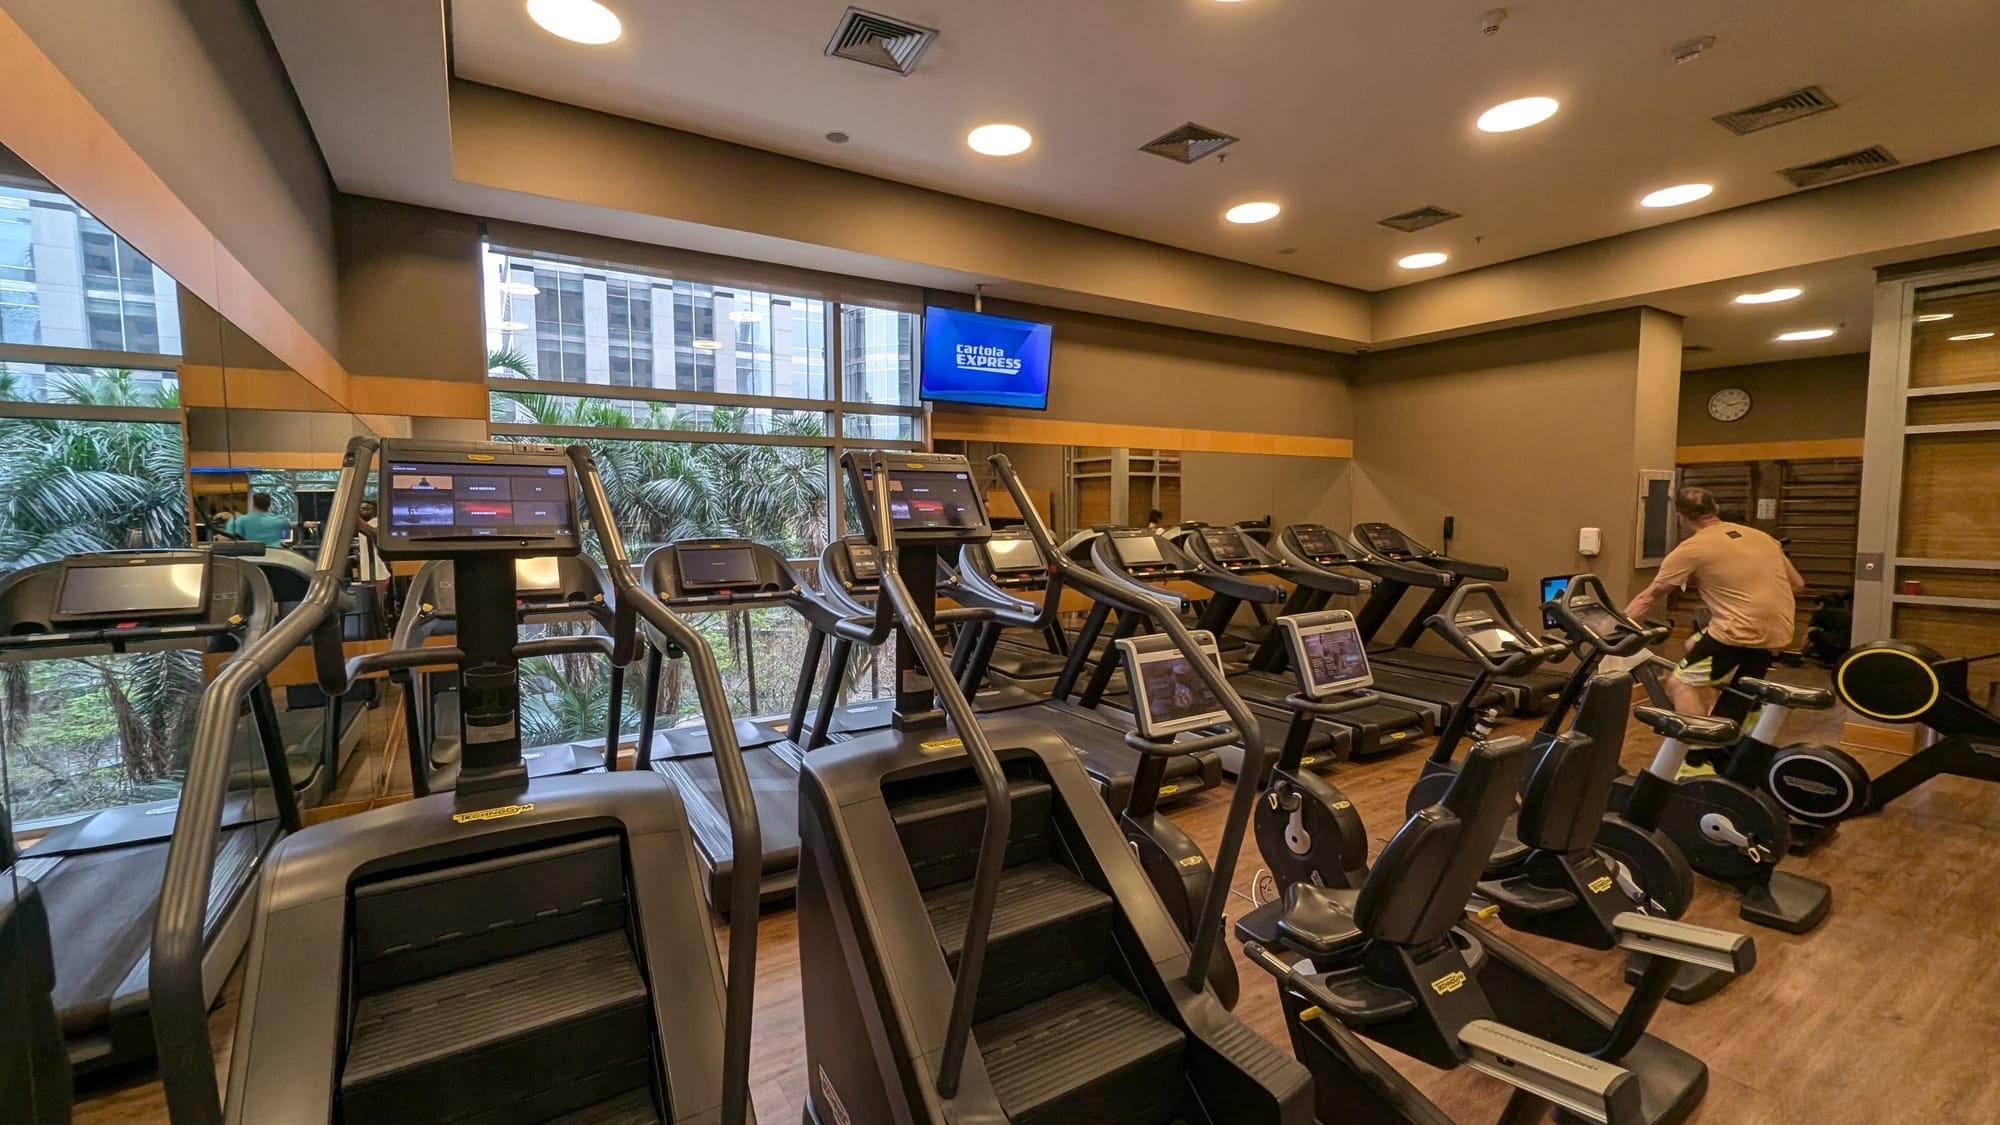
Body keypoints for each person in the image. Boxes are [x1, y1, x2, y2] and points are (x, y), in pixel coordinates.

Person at [1624, 487, 1805, 723]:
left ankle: (1698, 750)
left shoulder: (1692, 548)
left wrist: (1618, 629)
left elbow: (1647, 598)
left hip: (1735, 634)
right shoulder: (1763, 538)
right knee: (1692, 644)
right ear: (1716, 509)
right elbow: (1797, 584)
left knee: (1679, 683)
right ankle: (1714, 708)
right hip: (1778, 633)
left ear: (1680, 517)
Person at [224, 493, 291, 548]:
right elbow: (286, 540)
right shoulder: (283, 521)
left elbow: (229, 540)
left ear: (253, 504)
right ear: (269, 505)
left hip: (251, 558)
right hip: (276, 557)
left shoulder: (238, 521)